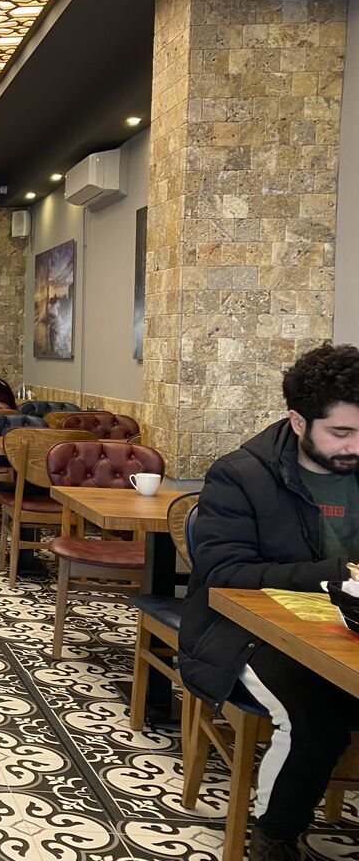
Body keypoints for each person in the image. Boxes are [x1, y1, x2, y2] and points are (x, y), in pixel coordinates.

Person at [180, 342, 359, 861]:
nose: (355, 445)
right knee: (316, 719)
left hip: (344, 629)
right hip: (246, 631)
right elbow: (224, 574)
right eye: (341, 433)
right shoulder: (240, 474)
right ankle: (275, 836)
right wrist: (336, 575)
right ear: (298, 421)